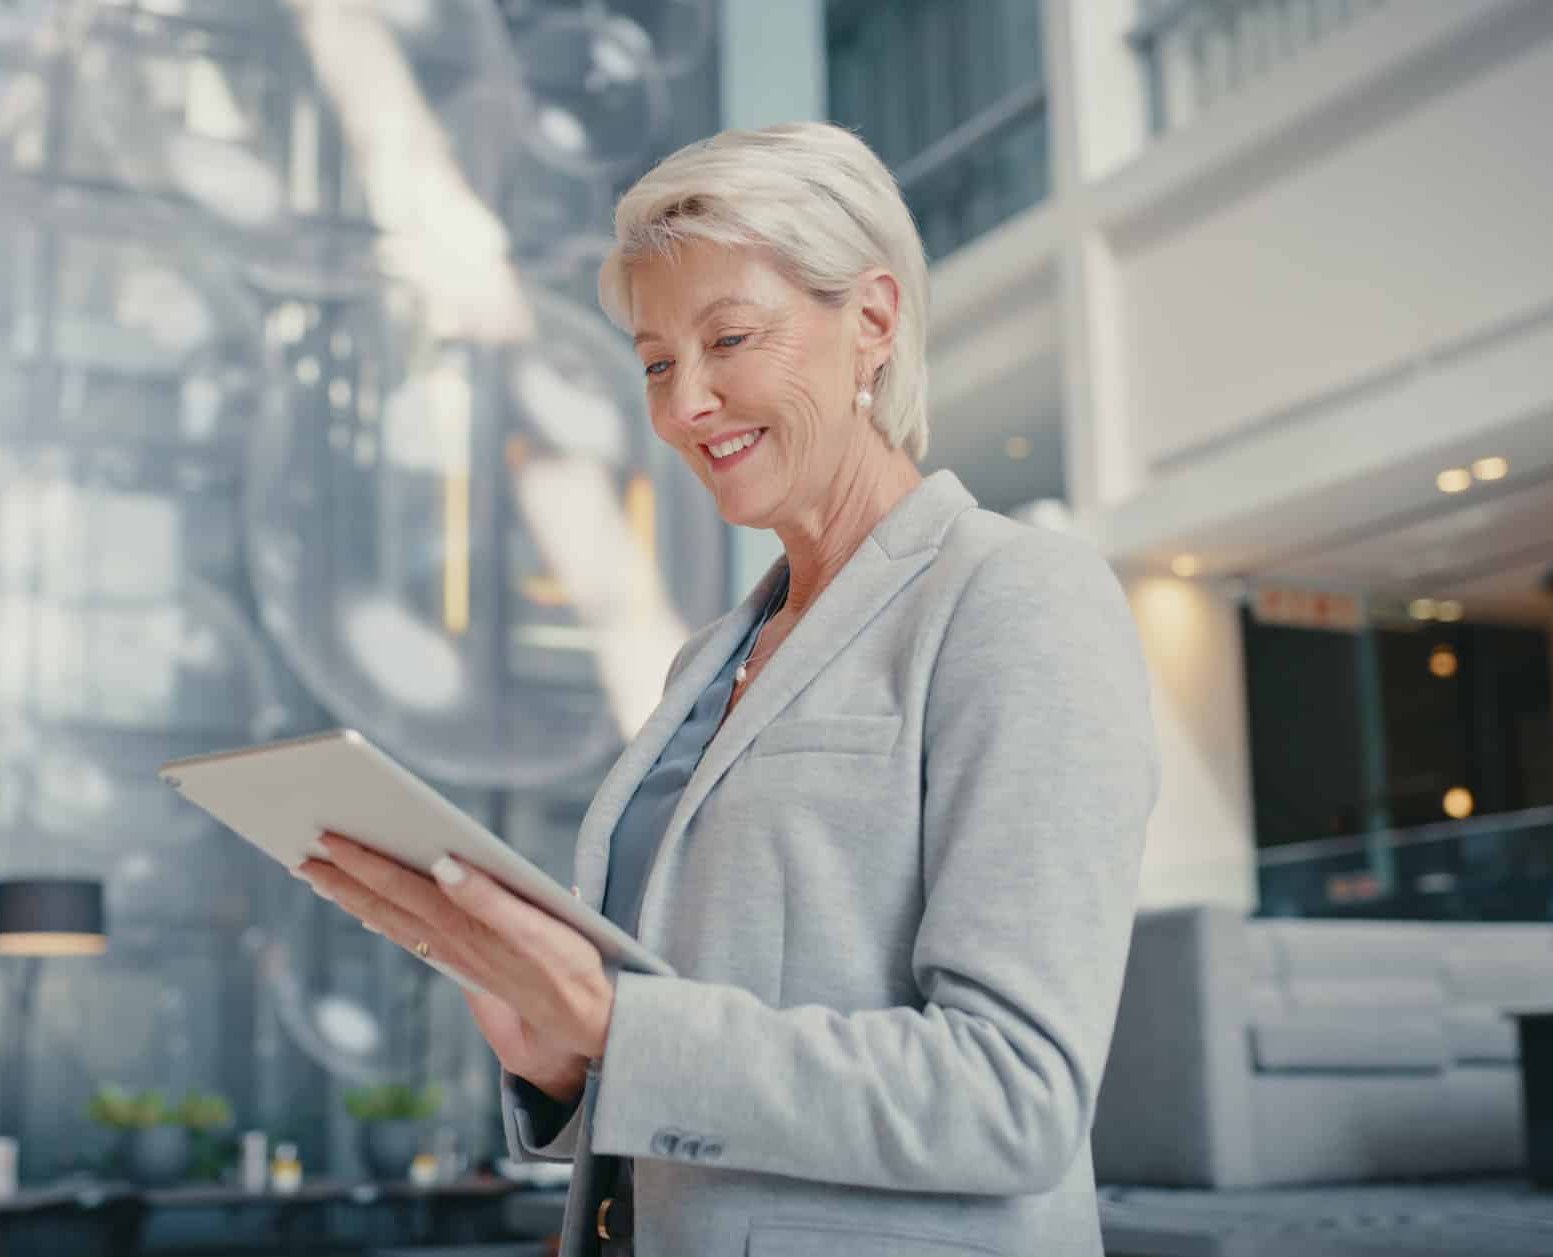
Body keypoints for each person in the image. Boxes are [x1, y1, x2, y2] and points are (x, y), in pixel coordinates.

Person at [296, 122, 1157, 1257]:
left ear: (873, 323)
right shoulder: (706, 657)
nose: (683, 405)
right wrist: (561, 1059)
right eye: (657, 362)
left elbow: (1013, 1099)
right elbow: (690, 1066)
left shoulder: (1014, 597)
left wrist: (616, 1024)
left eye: (729, 339)